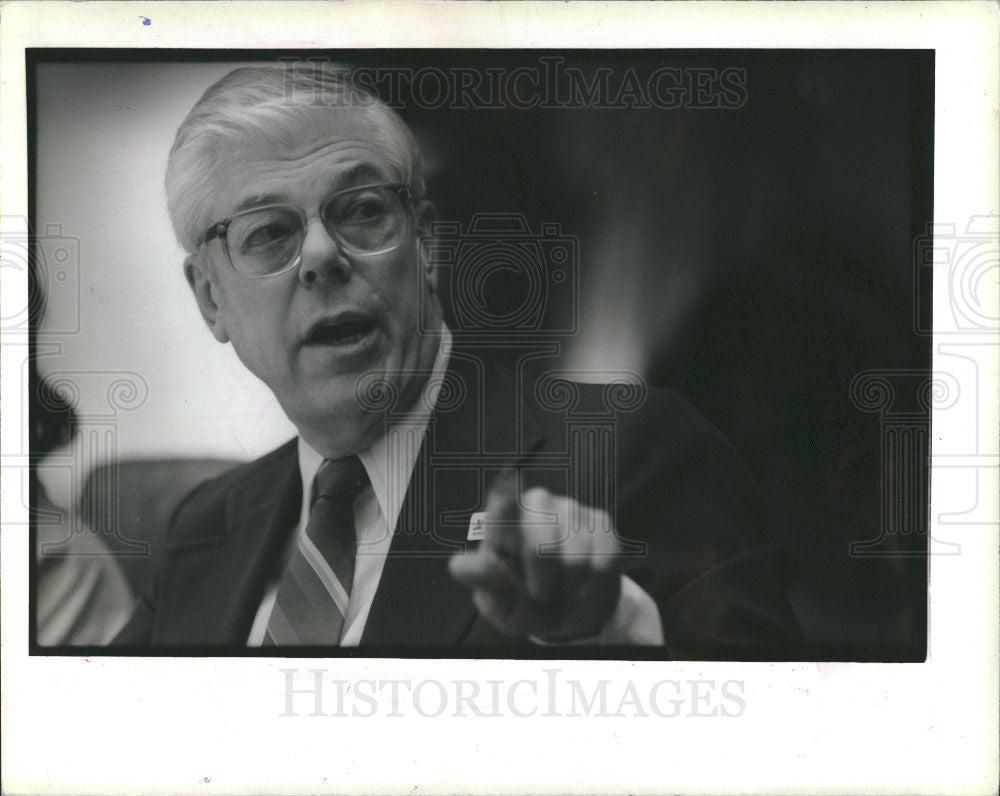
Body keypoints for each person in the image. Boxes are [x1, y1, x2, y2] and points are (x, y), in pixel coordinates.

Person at [116, 63, 800, 656]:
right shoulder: (204, 530)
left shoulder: (633, 452)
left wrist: (610, 629)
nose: (324, 256)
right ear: (211, 298)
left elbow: (783, 740)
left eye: (360, 211)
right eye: (269, 232)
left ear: (428, 243)